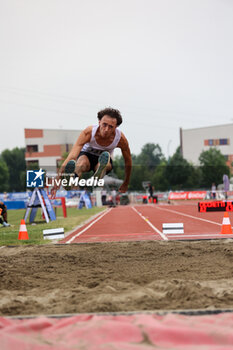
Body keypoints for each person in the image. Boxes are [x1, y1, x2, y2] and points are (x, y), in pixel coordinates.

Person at [51, 107, 132, 198]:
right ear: (99, 122)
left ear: (116, 127)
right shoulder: (89, 133)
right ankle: (71, 180)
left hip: (103, 159)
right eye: (104, 125)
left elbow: (128, 162)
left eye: (111, 127)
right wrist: (58, 177)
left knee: (106, 162)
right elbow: (72, 156)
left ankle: (99, 173)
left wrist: (126, 182)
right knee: (82, 163)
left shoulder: (120, 139)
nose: (106, 130)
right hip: (86, 155)